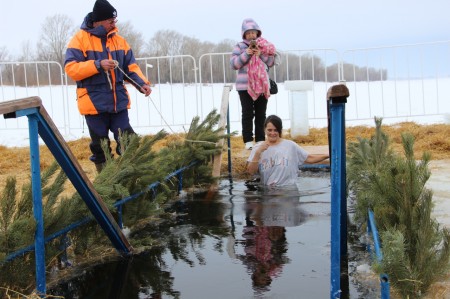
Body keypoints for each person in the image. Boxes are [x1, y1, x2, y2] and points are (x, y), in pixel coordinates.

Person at [64, 0, 152, 172]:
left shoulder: (120, 41)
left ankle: (130, 175)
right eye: (111, 21)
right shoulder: (79, 40)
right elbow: (71, 68)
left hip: (117, 102)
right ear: (98, 21)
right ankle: (106, 181)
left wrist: (142, 84)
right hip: (93, 103)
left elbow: (131, 67)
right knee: (100, 146)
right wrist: (97, 64)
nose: (114, 24)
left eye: (115, 20)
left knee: (128, 139)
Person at [230, 18, 276, 150]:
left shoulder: (264, 45)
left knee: (261, 113)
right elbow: (234, 64)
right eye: (248, 32)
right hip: (245, 86)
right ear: (244, 34)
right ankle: (248, 141)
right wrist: (246, 54)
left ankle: (261, 140)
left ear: (257, 33)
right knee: (247, 113)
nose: (251, 35)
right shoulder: (239, 46)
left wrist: (260, 54)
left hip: (261, 85)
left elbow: (271, 62)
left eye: (253, 32)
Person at [247, 115, 329, 186]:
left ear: (280, 130)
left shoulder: (290, 145)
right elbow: (251, 172)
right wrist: (258, 153)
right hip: (268, 192)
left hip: (288, 190)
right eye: (269, 130)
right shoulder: (258, 147)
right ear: (264, 129)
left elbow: (309, 158)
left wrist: (328, 155)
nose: (272, 133)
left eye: (276, 130)